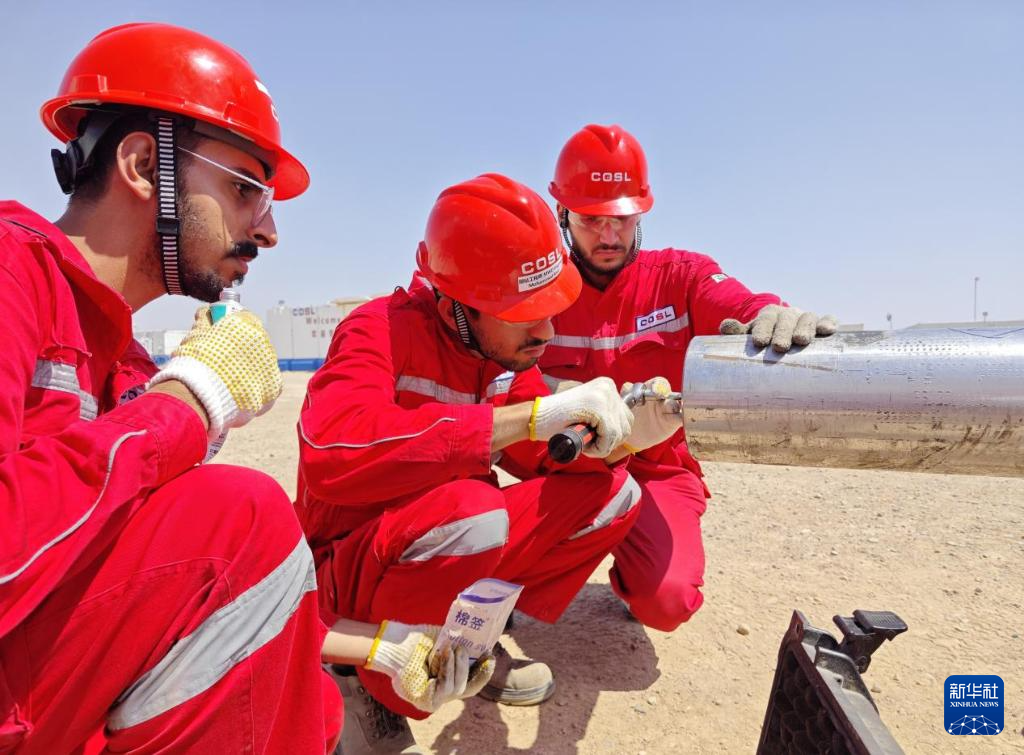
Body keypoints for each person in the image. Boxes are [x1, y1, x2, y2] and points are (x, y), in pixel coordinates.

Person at [0, 22, 328, 753]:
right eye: (247, 190)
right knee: (239, 522)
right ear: (146, 164)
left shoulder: (123, 361)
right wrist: (184, 405)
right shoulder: (10, 275)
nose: (268, 229)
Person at [296, 173, 659, 752]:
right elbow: (329, 453)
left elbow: (543, 458)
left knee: (613, 492)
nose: (547, 329)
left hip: (446, 544)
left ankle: (471, 644)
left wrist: (628, 436)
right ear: (456, 305)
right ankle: (366, 673)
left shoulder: (504, 352)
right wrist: (520, 420)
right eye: (523, 312)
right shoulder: (378, 331)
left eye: (551, 306)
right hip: (351, 565)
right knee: (474, 511)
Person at [540, 124, 838, 632]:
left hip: (656, 468)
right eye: (592, 220)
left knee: (668, 600)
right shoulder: (540, 291)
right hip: (566, 467)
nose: (610, 236)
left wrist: (772, 314)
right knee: (491, 553)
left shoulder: (682, 276)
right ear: (563, 213)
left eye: (624, 219)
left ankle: (634, 576)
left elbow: (742, 305)